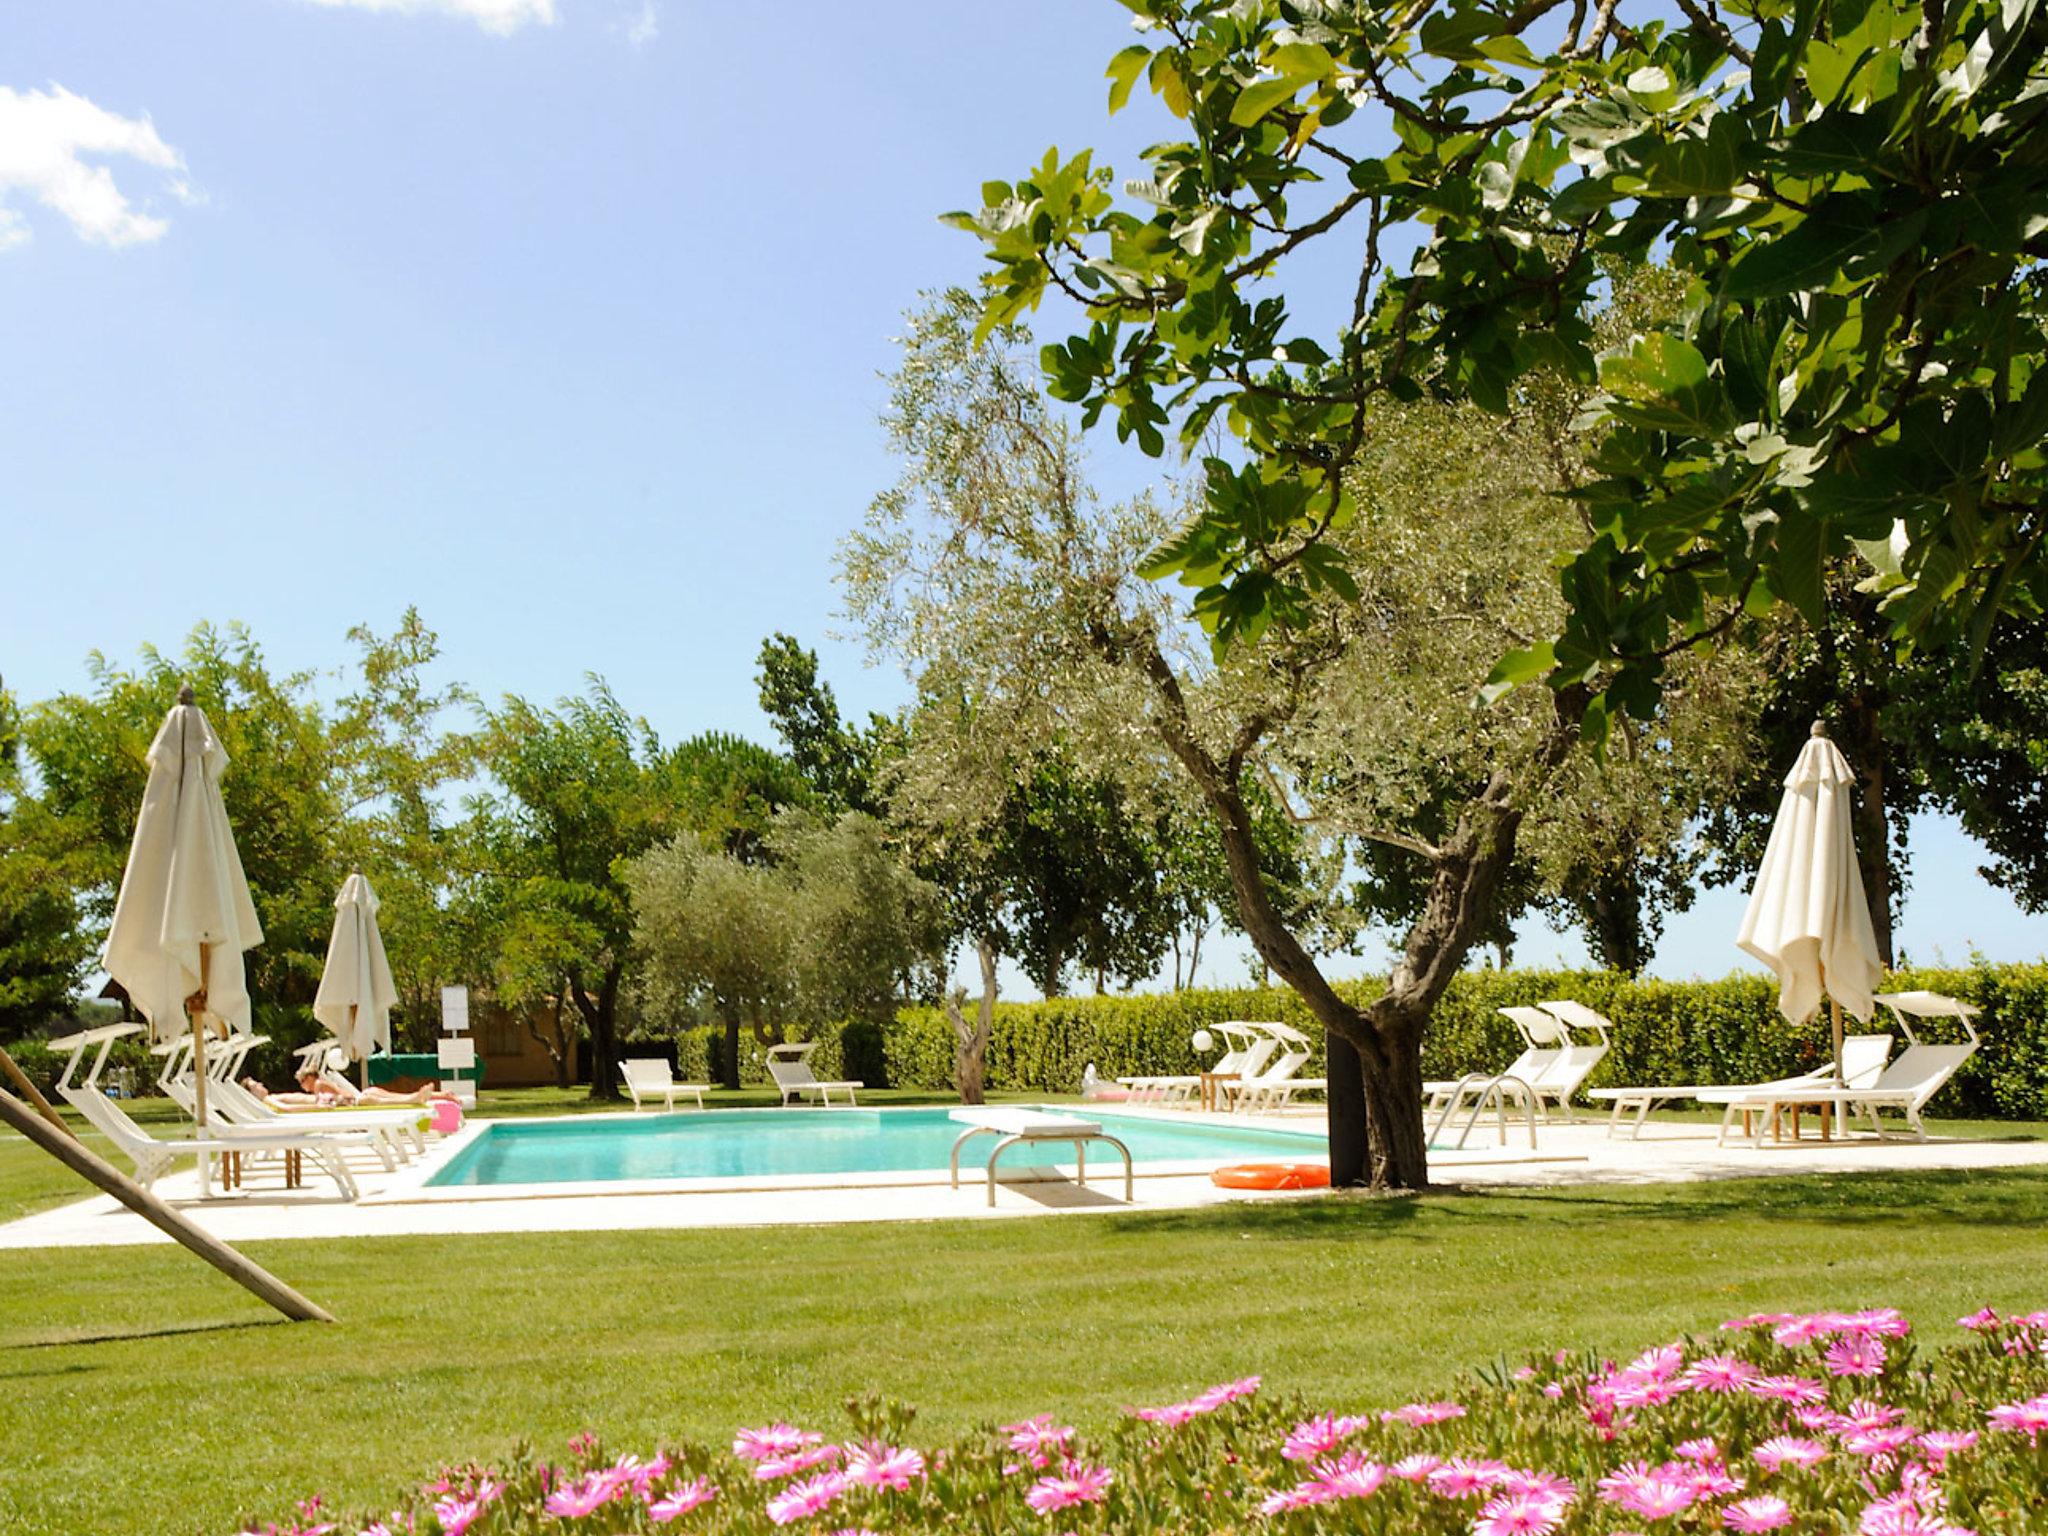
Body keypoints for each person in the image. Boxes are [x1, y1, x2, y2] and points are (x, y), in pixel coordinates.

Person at [241, 1072, 454, 1109]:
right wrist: (321, 1106)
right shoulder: (270, 1102)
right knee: (371, 1097)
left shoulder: (272, 1098)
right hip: (331, 1106)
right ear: (251, 1096)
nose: (260, 1085)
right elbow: (289, 1111)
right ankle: (412, 1099)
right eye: (255, 1087)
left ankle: (414, 1097)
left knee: (372, 1092)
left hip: (332, 1103)